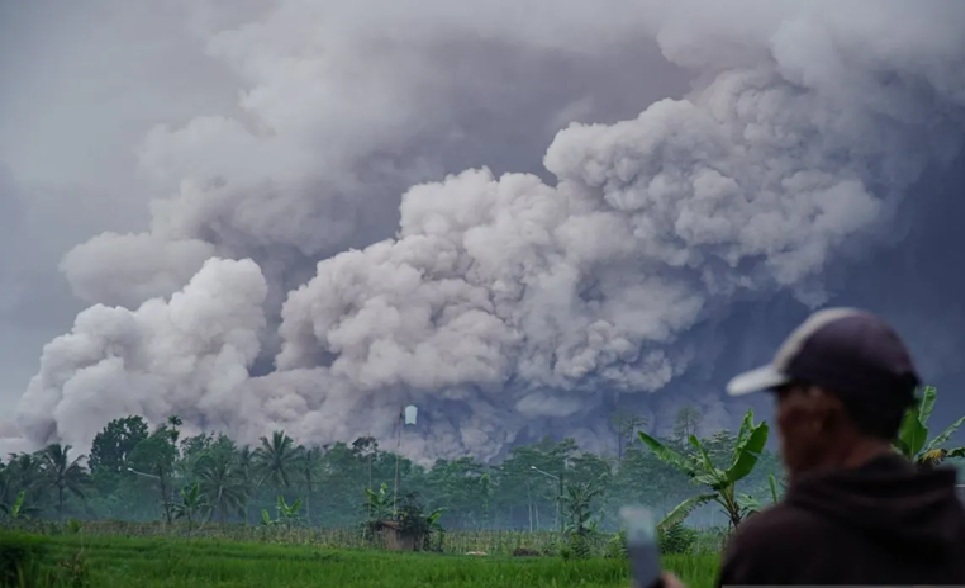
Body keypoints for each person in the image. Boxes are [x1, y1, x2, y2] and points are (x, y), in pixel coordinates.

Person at [664, 307, 965, 587]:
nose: (778, 416)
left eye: (783, 395)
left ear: (822, 413)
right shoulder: (953, 527)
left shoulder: (776, 548)